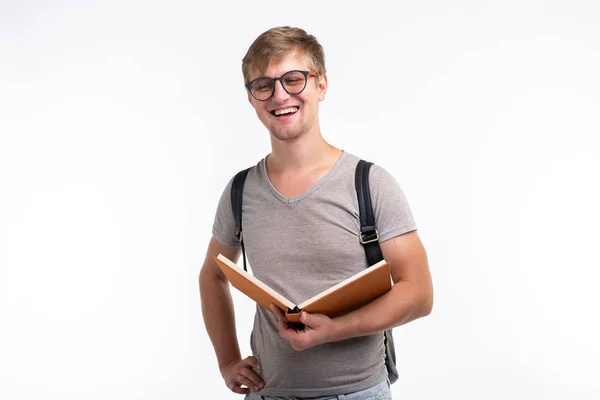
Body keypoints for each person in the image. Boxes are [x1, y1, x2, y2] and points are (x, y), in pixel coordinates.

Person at [199, 26, 433, 399]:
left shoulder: (370, 184)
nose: (280, 95)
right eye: (264, 85)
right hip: (268, 392)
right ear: (251, 98)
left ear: (321, 85)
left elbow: (419, 294)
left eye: (293, 80)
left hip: (358, 393)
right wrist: (227, 360)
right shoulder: (240, 192)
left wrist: (336, 329)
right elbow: (213, 276)